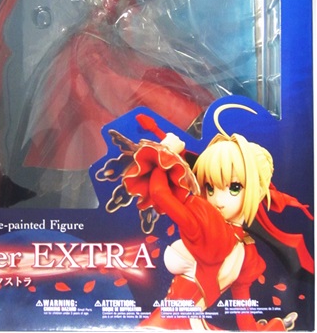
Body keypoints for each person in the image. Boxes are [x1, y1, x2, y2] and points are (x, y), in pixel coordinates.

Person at [16, 0, 217, 190]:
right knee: (100, 88)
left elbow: (129, 23)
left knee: (126, 85)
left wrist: (147, 38)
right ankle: (101, 152)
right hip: (90, 45)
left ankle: (173, 124)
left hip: (108, 45)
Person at [97, 107, 313, 330]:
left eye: (234, 187)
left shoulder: (235, 244)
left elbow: (244, 316)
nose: (217, 199)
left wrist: (165, 153)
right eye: (209, 188)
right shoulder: (230, 239)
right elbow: (245, 321)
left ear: (257, 192)